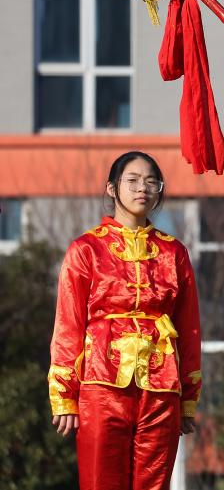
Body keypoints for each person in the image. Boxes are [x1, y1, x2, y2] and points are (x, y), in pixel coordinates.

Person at [48, 151, 202, 490]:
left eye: (151, 182)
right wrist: (64, 394)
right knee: (101, 481)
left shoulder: (175, 253)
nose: (142, 188)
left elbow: (189, 328)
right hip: (101, 385)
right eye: (132, 180)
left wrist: (188, 398)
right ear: (112, 188)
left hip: (161, 387)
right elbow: (68, 325)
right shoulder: (86, 249)